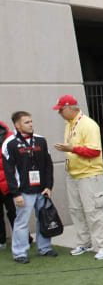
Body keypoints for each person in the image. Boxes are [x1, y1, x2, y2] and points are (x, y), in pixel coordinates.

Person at [53, 95, 103, 260]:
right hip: (73, 173)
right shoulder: (69, 124)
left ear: (70, 108)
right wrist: (70, 149)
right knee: (76, 211)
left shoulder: (88, 125)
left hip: (89, 174)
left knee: (95, 211)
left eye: (61, 110)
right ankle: (84, 242)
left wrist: (72, 149)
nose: (59, 113)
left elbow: (95, 151)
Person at [2, 111, 55, 263]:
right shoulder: (10, 143)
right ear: (17, 125)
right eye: (26, 122)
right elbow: (9, 170)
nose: (31, 124)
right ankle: (19, 253)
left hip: (42, 189)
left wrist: (49, 186)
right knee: (21, 222)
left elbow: (48, 165)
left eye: (31, 121)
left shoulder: (40, 140)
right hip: (23, 191)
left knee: (43, 218)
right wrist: (15, 193)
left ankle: (44, 248)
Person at [0, 120, 16, 249]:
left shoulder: (10, 137)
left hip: (9, 182)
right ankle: (1, 240)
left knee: (14, 212)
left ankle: (22, 238)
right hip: (7, 180)